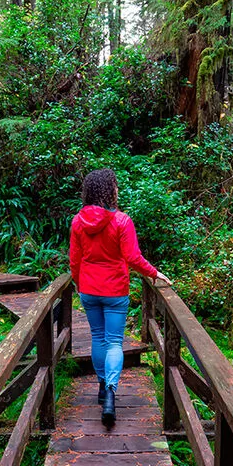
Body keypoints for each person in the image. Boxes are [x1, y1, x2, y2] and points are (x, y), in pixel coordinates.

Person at [69, 169, 171, 425]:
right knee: (114, 342)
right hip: (115, 289)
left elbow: (74, 260)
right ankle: (112, 394)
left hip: (89, 289)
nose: (117, 190)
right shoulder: (122, 221)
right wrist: (155, 272)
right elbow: (133, 258)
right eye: (115, 186)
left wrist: (81, 283)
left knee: (97, 337)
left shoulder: (78, 221)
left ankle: (102, 386)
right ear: (108, 191)